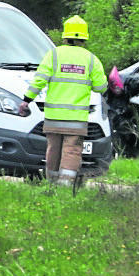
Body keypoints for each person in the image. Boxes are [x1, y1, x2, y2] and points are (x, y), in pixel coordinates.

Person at [19, 15, 110, 188]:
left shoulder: (54, 55)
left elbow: (39, 80)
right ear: (84, 37)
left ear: (65, 35)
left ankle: (51, 182)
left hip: (54, 115)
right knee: (72, 149)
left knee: (53, 148)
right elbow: (100, 87)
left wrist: (26, 101)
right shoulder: (91, 59)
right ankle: (65, 186)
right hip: (76, 117)